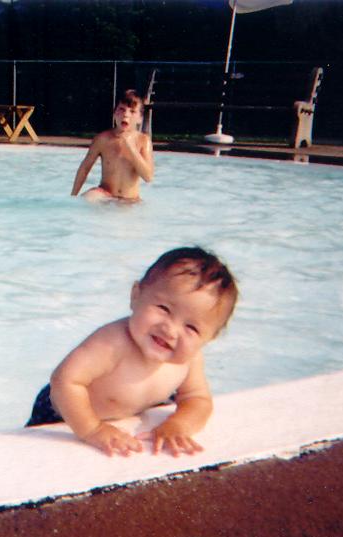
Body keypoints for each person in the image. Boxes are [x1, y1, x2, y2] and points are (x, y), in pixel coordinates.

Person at [26, 247, 238, 458]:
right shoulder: (113, 342)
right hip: (64, 411)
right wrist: (93, 429)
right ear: (136, 296)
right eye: (163, 308)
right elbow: (65, 380)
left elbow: (197, 399)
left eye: (191, 328)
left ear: (210, 338)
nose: (170, 330)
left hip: (133, 407)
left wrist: (178, 425)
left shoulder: (188, 359)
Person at [70, 89, 154, 202]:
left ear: (140, 118)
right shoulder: (102, 139)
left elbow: (148, 177)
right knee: (87, 198)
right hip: (105, 193)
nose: (126, 115)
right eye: (122, 109)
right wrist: (72, 196)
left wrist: (131, 148)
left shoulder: (143, 141)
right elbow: (84, 168)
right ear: (114, 113)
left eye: (132, 111)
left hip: (130, 199)